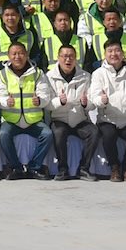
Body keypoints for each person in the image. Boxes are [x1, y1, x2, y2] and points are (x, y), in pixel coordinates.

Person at [0, 41, 54, 180]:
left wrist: (39, 101)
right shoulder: (2, 74)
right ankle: (16, 167)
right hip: (12, 121)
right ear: (8, 56)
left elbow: (45, 95)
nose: (17, 57)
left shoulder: (38, 73)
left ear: (27, 55)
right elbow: (0, 96)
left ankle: (34, 167)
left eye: (21, 53)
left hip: (33, 120)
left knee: (47, 134)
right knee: (4, 134)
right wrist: (6, 102)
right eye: (14, 54)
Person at [88, 41, 126, 182]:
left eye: (117, 50)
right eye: (110, 51)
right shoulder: (98, 74)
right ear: (104, 55)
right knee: (108, 135)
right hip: (107, 118)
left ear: (123, 53)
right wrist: (102, 101)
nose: (114, 54)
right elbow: (94, 97)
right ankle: (114, 167)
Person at [44, 44, 94, 181]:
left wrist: (86, 103)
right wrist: (59, 101)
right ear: (58, 58)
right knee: (58, 133)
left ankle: (84, 169)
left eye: (71, 56)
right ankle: (62, 169)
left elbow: (93, 103)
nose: (68, 60)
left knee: (94, 132)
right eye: (65, 56)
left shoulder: (85, 76)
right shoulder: (49, 77)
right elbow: (47, 104)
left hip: (79, 119)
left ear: (76, 58)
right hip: (59, 119)